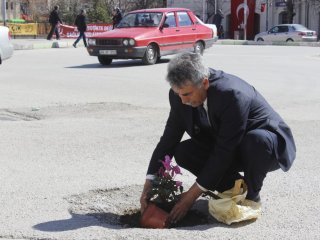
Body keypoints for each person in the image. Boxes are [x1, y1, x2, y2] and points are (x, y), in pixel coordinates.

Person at [140, 52, 296, 224]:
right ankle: (234, 187)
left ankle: (251, 196)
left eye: (187, 94)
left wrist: (191, 196)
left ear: (204, 83)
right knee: (184, 151)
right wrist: (150, 181)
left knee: (256, 140)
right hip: (229, 144)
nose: (183, 101)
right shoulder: (179, 95)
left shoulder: (232, 94)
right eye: (179, 94)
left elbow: (224, 150)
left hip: (265, 148)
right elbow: (168, 141)